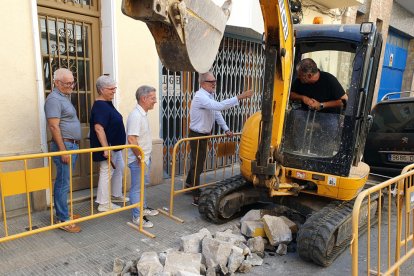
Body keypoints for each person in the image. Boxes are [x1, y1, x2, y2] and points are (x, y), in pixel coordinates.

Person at [186, 71, 253, 206]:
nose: (214, 84)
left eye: (215, 81)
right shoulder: (200, 96)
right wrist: (239, 97)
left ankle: (189, 183)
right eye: (212, 82)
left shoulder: (209, 95)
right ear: (203, 83)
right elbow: (219, 106)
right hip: (197, 134)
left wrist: (226, 129)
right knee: (197, 162)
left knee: (198, 160)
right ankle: (195, 194)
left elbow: (216, 113)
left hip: (203, 134)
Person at [44, 68, 82, 233]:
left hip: (70, 145)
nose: (71, 86)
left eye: (72, 82)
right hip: (65, 146)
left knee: (65, 182)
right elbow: (53, 126)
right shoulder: (53, 99)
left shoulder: (64, 97)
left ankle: (64, 212)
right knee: (62, 183)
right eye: (67, 83)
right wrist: (63, 151)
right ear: (57, 83)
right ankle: (63, 219)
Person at [289, 58, 348, 155]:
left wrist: (321, 105)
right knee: (296, 115)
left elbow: (344, 100)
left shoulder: (329, 80)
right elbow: (290, 94)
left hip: (328, 116)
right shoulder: (300, 82)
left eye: (300, 75)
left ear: (309, 75)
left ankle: (323, 152)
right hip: (306, 113)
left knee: (331, 124)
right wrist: (303, 98)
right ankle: (297, 149)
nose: (298, 77)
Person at [90, 75, 128, 212]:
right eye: (111, 89)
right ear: (101, 90)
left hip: (115, 147)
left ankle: (116, 194)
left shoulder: (107, 103)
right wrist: (106, 149)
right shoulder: (100, 106)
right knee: (106, 172)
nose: (114, 91)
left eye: (115, 88)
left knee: (118, 169)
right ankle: (103, 203)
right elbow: (99, 128)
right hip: (109, 147)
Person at [126, 85, 159, 228]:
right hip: (138, 159)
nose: (155, 101)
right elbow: (132, 139)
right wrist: (140, 158)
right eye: (153, 98)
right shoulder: (136, 116)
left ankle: (143, 207)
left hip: (144, 157)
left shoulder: (142, 114)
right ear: (144, 98)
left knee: (142, 185)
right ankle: (137, 216)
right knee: (137, 188)